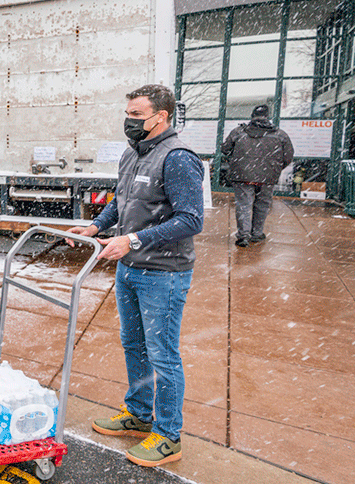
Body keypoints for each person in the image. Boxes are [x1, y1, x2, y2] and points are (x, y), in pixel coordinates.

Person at [65, 84, 203, 468]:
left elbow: (192, 220)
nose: (130, 121)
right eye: (128, 113)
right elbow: (121, 201)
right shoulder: (133, 153)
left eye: (138, 114)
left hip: (164, 273)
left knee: (163, 355)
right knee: (134, 345)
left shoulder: (177, 158)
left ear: (162, 117)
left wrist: (134, 239)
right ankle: (140, 415)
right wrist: (96, 227)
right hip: (130, 269)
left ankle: (169, 436)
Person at [220, 105, 294, 247]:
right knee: (262, 204)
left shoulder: (239, 131)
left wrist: (237, 161)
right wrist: (274, 168)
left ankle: (243, 235)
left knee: (243, 205)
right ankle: (257, 233)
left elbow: (225, 148)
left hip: (242, 174)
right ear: (268, 117)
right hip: (267, 176)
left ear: (252, 116)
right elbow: (288, 156)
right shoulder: (280, 134)